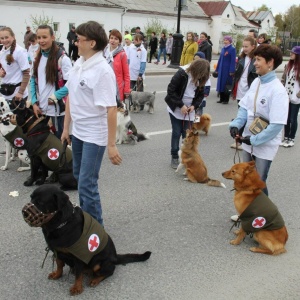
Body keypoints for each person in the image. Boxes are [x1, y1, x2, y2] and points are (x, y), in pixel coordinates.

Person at [61, 21, 122, 226]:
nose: (76, 42)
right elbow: (70, 96)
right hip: (78, 131)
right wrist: (65, 127)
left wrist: (111, 144)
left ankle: (96, 230)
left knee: (87, 183)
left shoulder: (102, 70)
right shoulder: (79, 63)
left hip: (95, 135)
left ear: (92, 43)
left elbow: (111, 108)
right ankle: (86, 220)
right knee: (79, 176)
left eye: (79, 39)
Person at [229, 44, 289, 199]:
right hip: (249, 140)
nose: (255, 63)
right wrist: (236, 124)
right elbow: (244, 107)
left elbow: (277, 125)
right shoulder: (256, 82)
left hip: (264, 144)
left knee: (258, 182)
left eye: (258, 60)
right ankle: (249, 214)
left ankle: (265, 218)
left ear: (270, 62)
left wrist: (255, 140)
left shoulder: (278, 91)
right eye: (255, 59)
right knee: (247, 180)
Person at [165, 59, 210, 169]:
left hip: (190, 109)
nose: (201, 77)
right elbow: (171, 90)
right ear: (196, 70)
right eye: (200, 75)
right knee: (176, 132)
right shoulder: (182, 74)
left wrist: (194, 106)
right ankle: (174, 156)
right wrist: (181, 105)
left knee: (187, 134)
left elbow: (200, 96)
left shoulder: (202, 77)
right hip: (176, 107)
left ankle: (186, 156)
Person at [30, 25, 72, 139]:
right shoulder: (37, 58)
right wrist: (34, 102)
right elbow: (33, 80)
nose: (41, 41)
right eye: (39, 37)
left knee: (60, 145)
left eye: (44, 37)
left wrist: (55, 97)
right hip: (41, 109)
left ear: (52, 37)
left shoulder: (63, 59)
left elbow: (71, 84)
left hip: (59, 111)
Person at [230, 36, 258, 150]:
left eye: (247, 46)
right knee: (241, 116)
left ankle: (245, 139)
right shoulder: (241, 58)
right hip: (241, 90)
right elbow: (237, 76)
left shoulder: (256, 59)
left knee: (249, 116)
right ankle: (239, 139)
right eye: (243, 46)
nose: (244, 49)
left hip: (250, 91)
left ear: (253, 46)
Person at [0, 27, 30, 103]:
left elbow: (26, 73)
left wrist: (20, 92)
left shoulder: (20, 51)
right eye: (2, 38)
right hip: (5, 92)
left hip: (17, 94)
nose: (4, 40)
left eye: (6, 37)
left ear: (13, 37)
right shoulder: (2, 51)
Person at [280, 46, 300, 148]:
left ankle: (291, 138)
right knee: (286, 119)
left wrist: (298, 94)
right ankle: (286, 137)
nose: (290, 54)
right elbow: (284, 79)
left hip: (296, 97)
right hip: (286, 96)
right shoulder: (288, 65)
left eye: (293, 53)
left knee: (293, 119)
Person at [103, 29, 130, 102]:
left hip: (116, 87)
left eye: (116, 39)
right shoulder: (104, 52)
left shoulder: (122, 54)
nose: (113, 40)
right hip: (104, 85)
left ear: (119, 42)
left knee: (116, 111)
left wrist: (126, 89)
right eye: (111, 38)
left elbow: (126, 74)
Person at [215, 36, 236, 104]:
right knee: (221, 83)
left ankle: (226, 99)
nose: (225, 41)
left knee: (226, 84)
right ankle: (221, 98)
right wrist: (217, 69)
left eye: (226, 40)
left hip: (227, 70)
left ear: (230, 41)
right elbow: (220, 59)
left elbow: (233, 61)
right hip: (221, 69)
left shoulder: (232, 49)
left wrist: (231, 70)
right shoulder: (223, 49)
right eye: (224, 40)